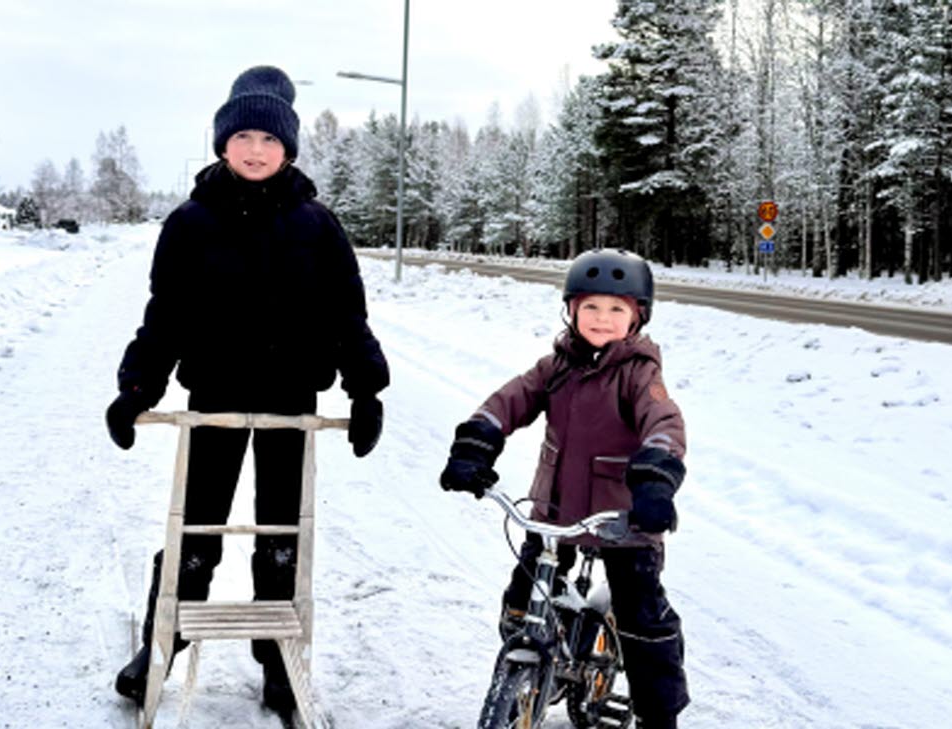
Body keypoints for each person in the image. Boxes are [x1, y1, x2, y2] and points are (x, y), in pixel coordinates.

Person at [105, 65, 390, 717]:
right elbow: (165, 316)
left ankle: (278, 663)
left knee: (283, 533)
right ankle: (162, 640)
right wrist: (136, 386)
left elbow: (347, 315)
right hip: (215, 397)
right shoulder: (189, 223)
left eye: (269, 138)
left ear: (288, 147)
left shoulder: (318, 225)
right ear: (223, 144)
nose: (255, 149)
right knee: (194, 529)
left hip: (293, 401)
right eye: (244, 138)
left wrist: (366, 390)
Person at [439, 248, 688, 729]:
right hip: (554, 513)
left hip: (624, 521)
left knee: (643, 622)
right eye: (591, 307)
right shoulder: (556, 366)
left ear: (638, 317)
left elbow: (664, 424)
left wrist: (656, 481)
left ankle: (660, 716)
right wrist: (476, 442)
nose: (602, 318)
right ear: (571, 310)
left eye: (617, 309)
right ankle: (528, 670)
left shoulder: (640, 375)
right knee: (522, 598)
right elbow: (509, 401)